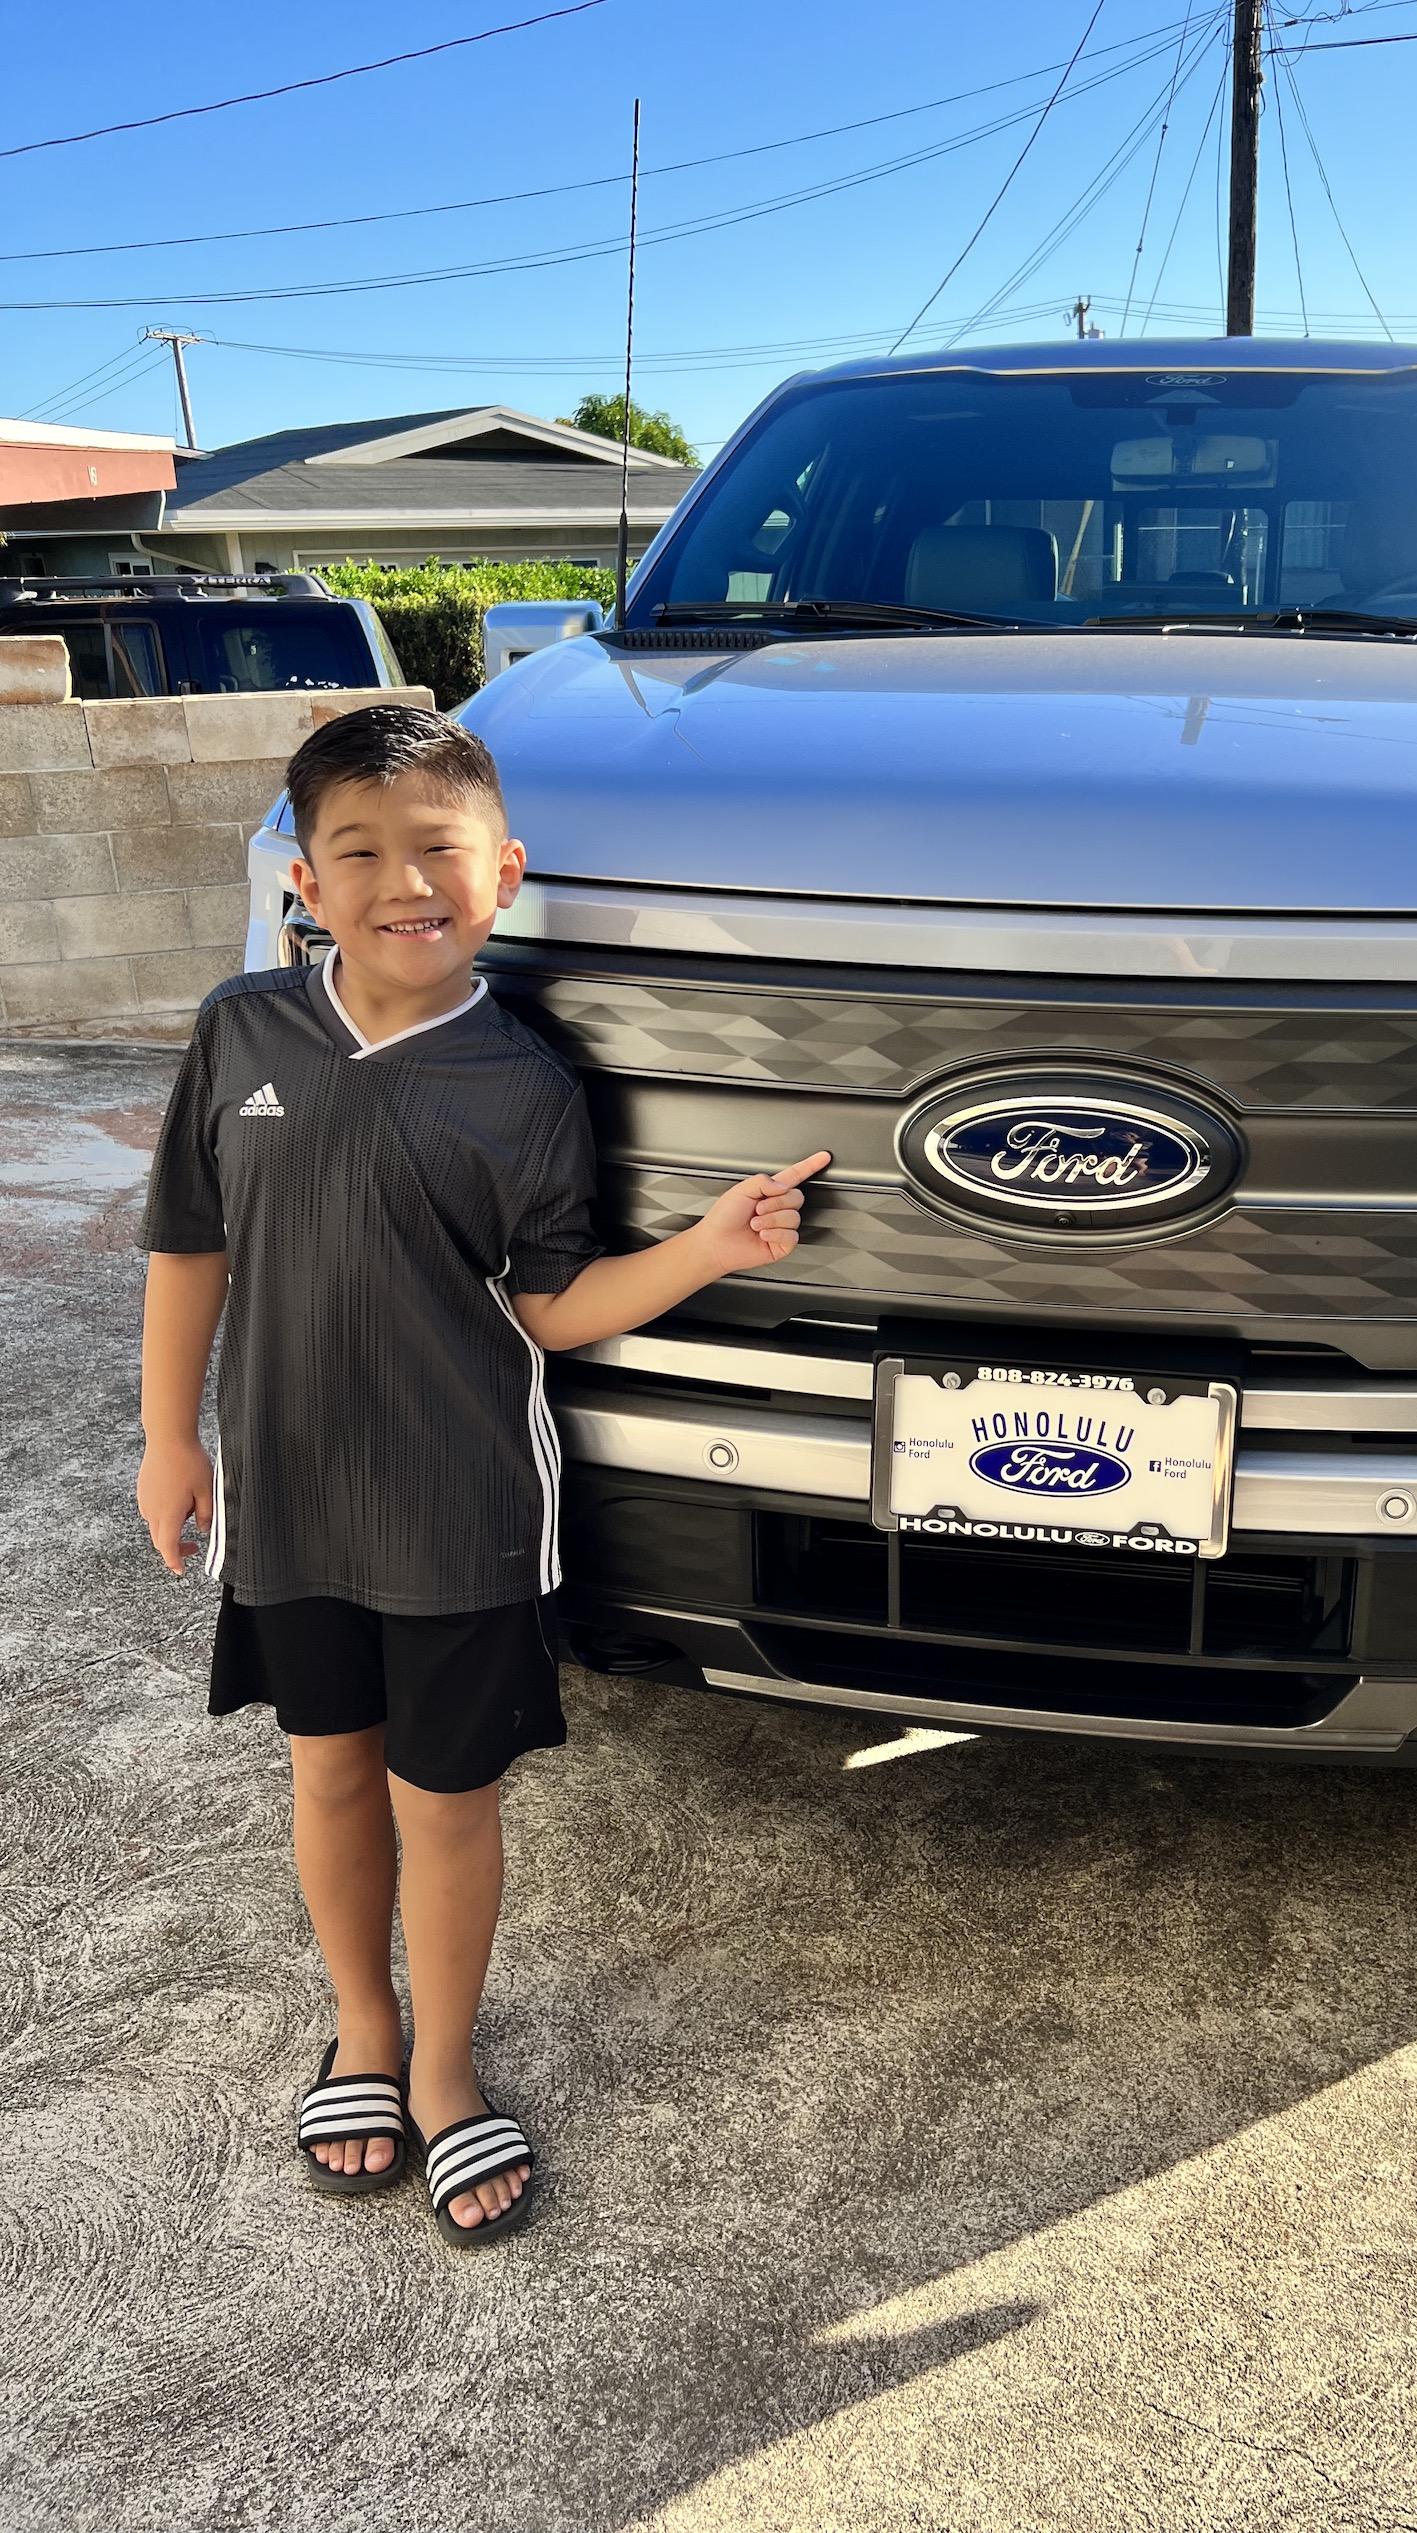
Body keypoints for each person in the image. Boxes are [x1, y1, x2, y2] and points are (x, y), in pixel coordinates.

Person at [134, 702, 827, 2248]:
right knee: (326, 1770)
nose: (403, 883)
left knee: (444, 1802)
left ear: (500, 868)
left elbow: (549, 1309)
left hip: (463, 1514)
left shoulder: (525, 1083)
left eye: (436, 849)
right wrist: (169, 1432)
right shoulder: (240, 1032)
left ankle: (444, 2069)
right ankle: (360, 2031)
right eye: (357, 851)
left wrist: (708, 1248)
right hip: (294, 1501)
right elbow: (193, 1240)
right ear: (303, 879)